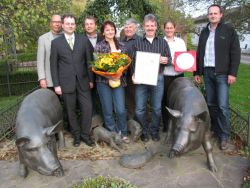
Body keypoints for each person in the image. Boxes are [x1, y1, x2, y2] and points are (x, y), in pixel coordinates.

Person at [194, 4, 241, 150]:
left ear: (221, 15)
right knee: (212, 105)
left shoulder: (228, 30)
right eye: (210, 13)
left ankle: (224, 136)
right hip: (207, 73)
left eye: (215, 13)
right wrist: (197, 72)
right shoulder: (204, 32)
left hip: (222, 74)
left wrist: (232, 73)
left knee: (222, 106)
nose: (213, 15)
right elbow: (199, 52)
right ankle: (215, 131)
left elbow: (235, 52)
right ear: (208, 15)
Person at [50, 13, 95, 147]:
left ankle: (85, 135)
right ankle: (76, 135)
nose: (70, 26)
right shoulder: (56, 43)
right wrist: (56, 85)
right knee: (71, 110)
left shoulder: (83, 40)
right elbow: (53, 65)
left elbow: (89, 61)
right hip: (66, 83)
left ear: (75, 26)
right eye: (67, 23)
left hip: (83, 81)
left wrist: (91, 79)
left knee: (88, 108)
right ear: (63, 25)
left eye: (72, 23)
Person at [132, 14, 171, 142]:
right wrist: (133, 74)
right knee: (139, 109)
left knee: (156, 108)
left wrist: (165, 60)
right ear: (144, 27)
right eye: (147, 26)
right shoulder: (137, 42)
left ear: (156, 27)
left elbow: (169, 59)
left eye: (152, 26)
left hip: (157, 78)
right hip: (141, 79)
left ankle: (154, 131)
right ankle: (144, 131)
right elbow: (132, 61)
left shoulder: (162, 42)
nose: (150, 28)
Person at [94, 21, 129, 143]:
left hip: (119, 80)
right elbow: (97, 67)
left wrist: (119, 74)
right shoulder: (98, 46)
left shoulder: (122, 46)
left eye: (112, 29)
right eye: (107, 30)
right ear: (103, 32)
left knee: (120, 109)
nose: (110, 31)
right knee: (107, 110)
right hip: (103, 82)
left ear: (115, 31)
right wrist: (109, 76)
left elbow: (126, 64)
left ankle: (123, 132)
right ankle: (113, 135)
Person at [161, 20, 187, 132]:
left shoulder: (180, 42)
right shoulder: (160, 41)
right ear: (164, 29)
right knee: (165, 100)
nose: (169, 30)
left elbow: (185, 57)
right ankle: (167, 125)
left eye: (171, 27)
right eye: (167, 28)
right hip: (166, 75)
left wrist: (183, 62)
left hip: (178, 75)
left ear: (174, 29)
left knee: (178, 100)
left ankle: (178, 124)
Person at [83, 16, 103, 116]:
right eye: (87, 24)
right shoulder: (80, 39)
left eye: (91, 24)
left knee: (104, 101)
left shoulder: (103, 37)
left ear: (95, 25)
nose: (89, 26)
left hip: (104, 76)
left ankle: (106, 123)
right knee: (91, 101)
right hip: (87, 75)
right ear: (84, 26)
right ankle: (95, 123)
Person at [121, 18, 141, 119]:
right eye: (126, 27)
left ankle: (139, 123)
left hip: (136, 76)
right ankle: (130, 122)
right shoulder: (121, 42)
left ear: (135, 28)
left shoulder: (141, 40)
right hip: (124, 76)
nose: (128, 29)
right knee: (127, 101)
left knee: (138, 101)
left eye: (130, 27)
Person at [37, 14, 62, 89]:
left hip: (65, 79)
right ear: (50, 24)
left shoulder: (66, 36)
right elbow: (40, 61)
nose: (57, 24)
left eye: (59, 22)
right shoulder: (43, 39)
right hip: (49, 80)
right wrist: (42, 78)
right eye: (54, 22)